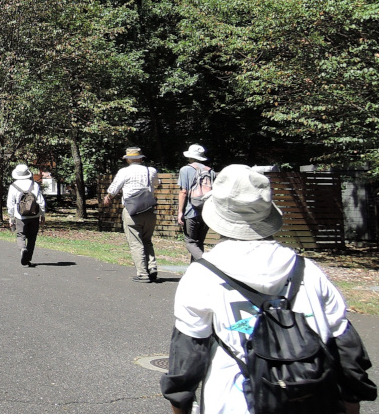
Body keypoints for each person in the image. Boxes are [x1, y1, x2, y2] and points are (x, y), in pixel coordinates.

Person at [160, 164, 377, 414]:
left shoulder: (203, 275)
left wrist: (181, 406)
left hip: (232, 403)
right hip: (313, 399)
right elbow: (346, 348)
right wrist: (351, 403)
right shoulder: (307, 270)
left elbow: (187, 358)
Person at [103, 147, 161, 282]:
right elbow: (157, 184)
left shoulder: (124, 172)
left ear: (128, 159)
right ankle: (152, 267)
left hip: (132, 210)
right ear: (141, 158)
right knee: (147, 240)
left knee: (136, 242)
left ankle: (142, 273)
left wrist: (108, 196)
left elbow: (114, 188)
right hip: (149, 210)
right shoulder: (150, 170)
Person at [176, 144, 214, 263]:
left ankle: (208, 264)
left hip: (191, 211)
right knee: (199, 243)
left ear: (190, 157)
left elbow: (183, 192)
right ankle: (197, 270)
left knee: (190, 242)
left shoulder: (185, 170)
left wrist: (180, 212)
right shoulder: (210, 171)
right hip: (206, 211)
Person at [6, 164, 45, 267]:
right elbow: (41, 202)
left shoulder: (13, 186)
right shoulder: (34, 185)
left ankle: (23, 249)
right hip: (34, 215)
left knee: (20, 235)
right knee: (32, 238)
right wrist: (42, 214)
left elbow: (10, 204)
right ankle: (27, 259)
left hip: (20, 216)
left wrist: (11, 218)